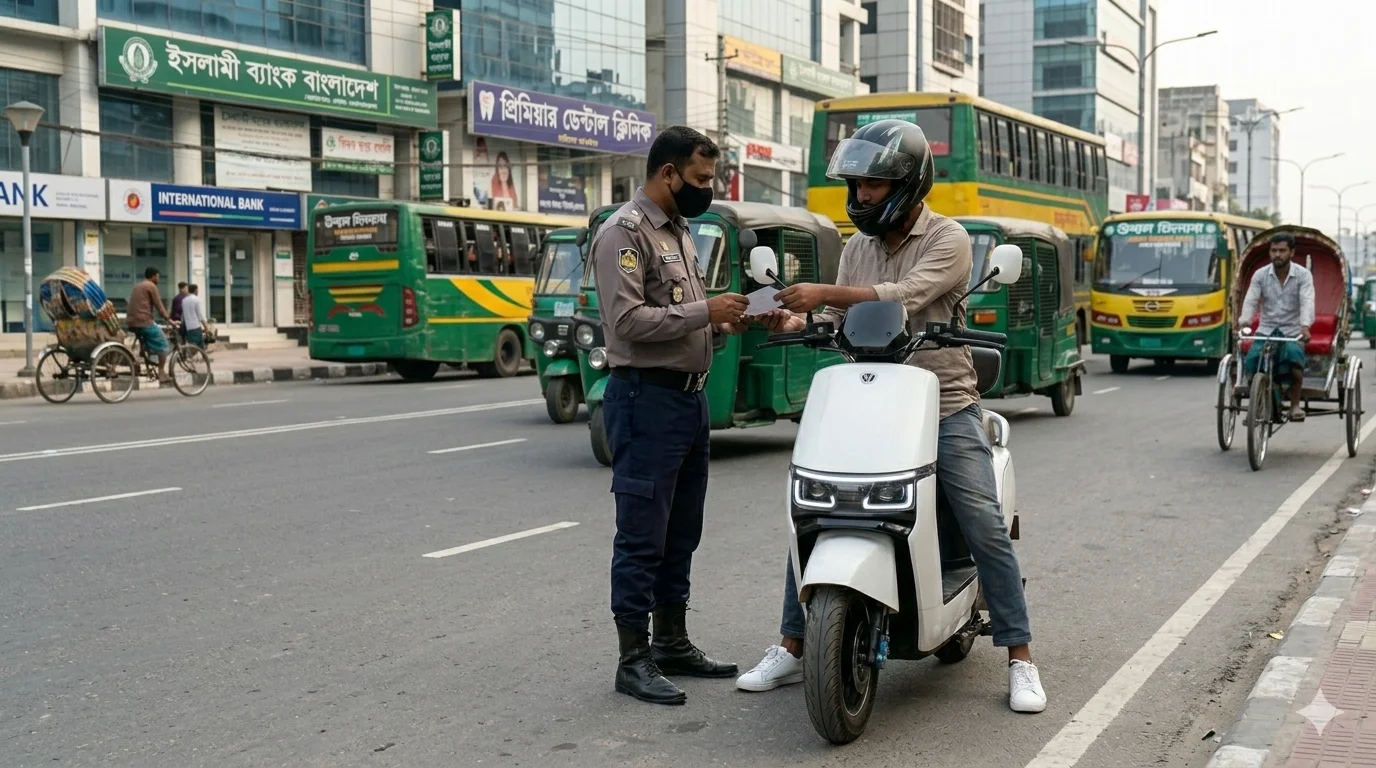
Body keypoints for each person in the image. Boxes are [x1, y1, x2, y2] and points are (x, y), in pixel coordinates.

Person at [737, 119, 1047, 714]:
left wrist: (825, 292)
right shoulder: (857, 247)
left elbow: (901, 296)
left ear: (907, 182)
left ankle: (1020, 656)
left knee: (982, 523)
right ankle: (791, 644)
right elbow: (836, 323)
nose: (861, 197)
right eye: (856, 186)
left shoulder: (949, 239)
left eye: (873, 185)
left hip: (943, 403)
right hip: (871, 399)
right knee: (817, 509)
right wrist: (794, 320)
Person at [591, 124, 751, 706]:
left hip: (688, 399)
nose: (707, 189)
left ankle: (671, 642)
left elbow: (683, 314)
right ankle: (632, 659)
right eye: (701, 178)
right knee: (642, 534)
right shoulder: (624, 234)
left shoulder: (681, 231)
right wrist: (702, 311)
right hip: (644, 399)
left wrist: (724, 321)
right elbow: (626, 323)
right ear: (668, 173)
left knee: (681, 530)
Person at [1239, 231, 1314, 422]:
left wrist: (1305, 326)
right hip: (1266, 329)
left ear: (1291, 252)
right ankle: (1255, 401)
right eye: (1274, 251)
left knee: (1295, 362)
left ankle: (1295, 405)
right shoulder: (1260, 275)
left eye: (1282, 251)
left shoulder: (1303, 276)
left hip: (1292, 330)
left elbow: (1307, 301)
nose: (1277, 255)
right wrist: (1245, 321)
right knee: (1252, 360)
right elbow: (1251, 299)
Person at [127, 266, 175, 382]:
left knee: (152, 339)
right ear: (153, 276)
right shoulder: (151, 286)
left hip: (131, 322)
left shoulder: (138, 286)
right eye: (158, 276)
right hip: (143, 322)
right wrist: (170, 320)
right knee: (164, 344)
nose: (158, 279)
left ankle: (147, 355)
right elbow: (159, 306)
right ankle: (161, 372)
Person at [181, 283, 207, 350]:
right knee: (199, 344)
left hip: (188, 327)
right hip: (195, 326)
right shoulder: (196, 299)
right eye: (197, 290)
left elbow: (183, 314)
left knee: (192, 344)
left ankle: (202, 357)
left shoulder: (184, 300)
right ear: (195, 290)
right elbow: (200, 314)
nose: (198, 292)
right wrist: (206, 327)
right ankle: (203, 358)